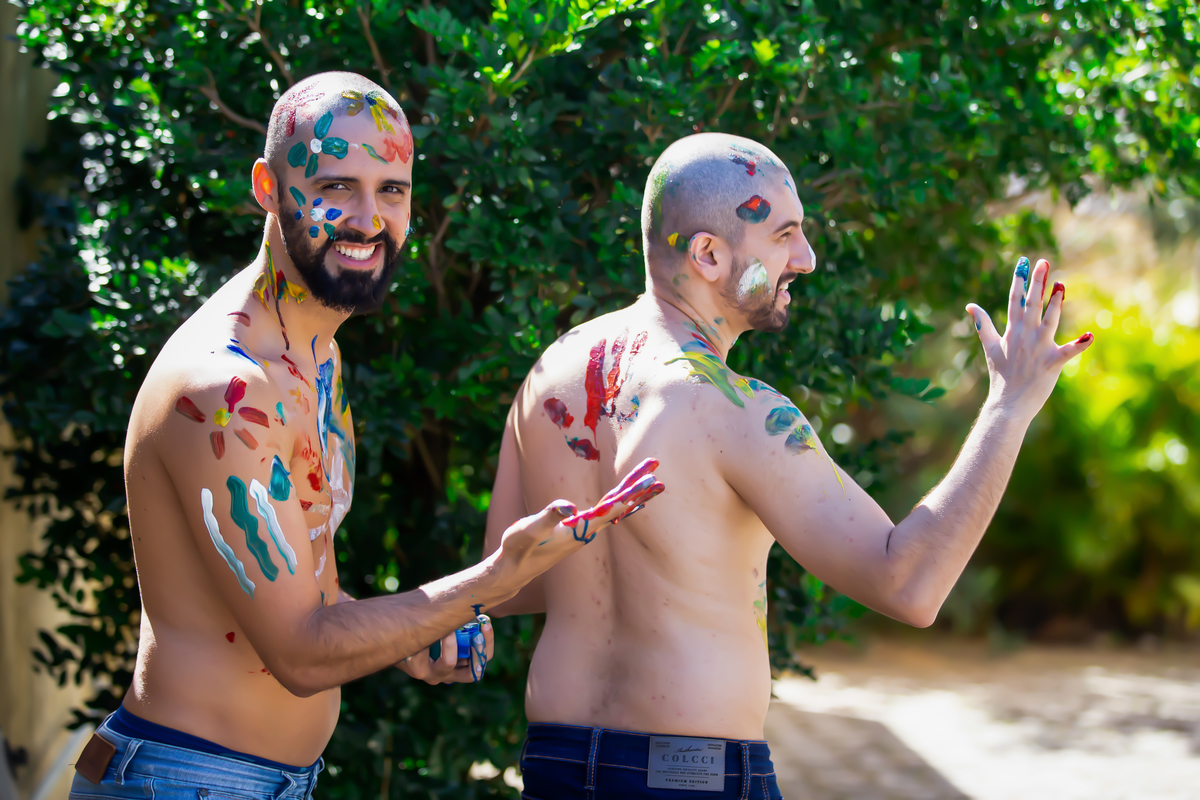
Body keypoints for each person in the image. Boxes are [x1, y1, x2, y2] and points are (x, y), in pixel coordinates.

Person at [70, 72, 663, 799]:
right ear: (267, 187)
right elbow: (300, 654)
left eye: (391, 190)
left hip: (262, 780)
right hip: (183, 779)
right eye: (336, 187)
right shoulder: (224, 392)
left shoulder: (316, 352)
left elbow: (303, 589)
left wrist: (412, 635)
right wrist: (491, 582)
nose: (368, 219)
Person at [482, 132, 1094, 799]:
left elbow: (501, 584)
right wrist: (1009, 406)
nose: (805, 258)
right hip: (693, 779)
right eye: (784, 235)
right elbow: (910, 585)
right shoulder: (736, 411)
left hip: (556, 765)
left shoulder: (551, 374)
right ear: (708, 255)